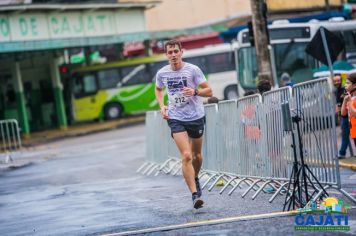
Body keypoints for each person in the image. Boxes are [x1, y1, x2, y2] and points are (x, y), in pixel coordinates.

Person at [155, 39, 213, 209]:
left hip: (195, 116)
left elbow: (209, 91)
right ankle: (195, 195)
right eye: (169, 52)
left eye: (175, 51)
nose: (173, 55)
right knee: (186, 156)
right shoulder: (162, 73)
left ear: (181, 52)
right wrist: (162, 106)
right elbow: (158, 89)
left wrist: (195, 91)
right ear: (166, 55)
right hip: (175, 117)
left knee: (197, 156)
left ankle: (195, 177)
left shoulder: (192, 70)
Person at [333, 74, 349, 159]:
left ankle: (342, 153)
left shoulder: (344, 90)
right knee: (346, 135)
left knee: (345, 135)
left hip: (347, 115)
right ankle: (342, 152)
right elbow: (338, 105)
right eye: (335, 81)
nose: (336, 82)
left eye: (338, 80)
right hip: (343, 116)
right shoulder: (337, 91)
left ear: (341, 80)